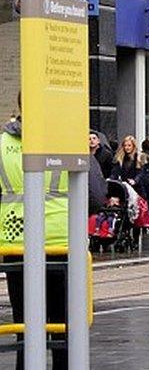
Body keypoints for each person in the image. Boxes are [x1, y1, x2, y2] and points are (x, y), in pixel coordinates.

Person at [0, 97, 72, 369]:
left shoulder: (2, 144)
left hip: (16, 244)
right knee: (64, 326)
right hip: (61, 243)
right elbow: (96, 194)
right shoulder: (66, 142)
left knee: (25, 324)